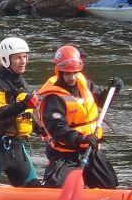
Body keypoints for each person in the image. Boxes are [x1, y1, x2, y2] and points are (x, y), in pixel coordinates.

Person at [36, 45, 123, 189]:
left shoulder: (85, 84)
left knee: (110, 184)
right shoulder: (53, 97)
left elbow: (101, 100)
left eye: (75, 73)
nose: (72, 78)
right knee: (57, 186)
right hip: (65, 153)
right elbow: (58, 129)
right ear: (59, 72)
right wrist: (81, 138)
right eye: (68, 74)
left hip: (89, 149)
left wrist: (114, 89)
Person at [0, 37, 40, 187]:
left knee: (33, 188)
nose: (23, 61)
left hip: (16, 149)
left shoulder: (20, 82)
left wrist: (41, 131)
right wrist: (24, 104)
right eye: (18, 58)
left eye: (25, 57)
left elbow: (24, 115)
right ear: (6, 59)